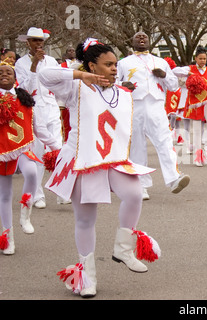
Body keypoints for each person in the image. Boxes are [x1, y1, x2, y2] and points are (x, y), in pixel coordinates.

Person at [38, 38, 162, 298]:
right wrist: (80, 75)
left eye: (116, 64)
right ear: (92, 66)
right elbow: (44, 74)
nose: (114, 69)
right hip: (83, 159)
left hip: (114, 159)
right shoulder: (75, 88)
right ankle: (87, 276)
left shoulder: (121, 92)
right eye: (108, 65)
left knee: (135, 194)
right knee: (86, 219)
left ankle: (123, 248)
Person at [117, 32, 190, 199]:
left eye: (145, 37)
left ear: (149, 41)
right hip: (134, 105)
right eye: (138, 37)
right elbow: (113, 83)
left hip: (156, 105)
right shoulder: (123, 63)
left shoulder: (160, 62)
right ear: (132, 41)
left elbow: (173, 86)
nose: (142, 38)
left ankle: (174, 179)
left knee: (164, 141)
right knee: (137, 145)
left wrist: (164, 76)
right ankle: (140, 186)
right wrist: (122, 85)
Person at [0, 61, 61, 255]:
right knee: (5, 195)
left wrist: (57, 147)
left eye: (8, 72)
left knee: (32, 172)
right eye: (0, 72)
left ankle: (25, 215)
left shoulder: (25, 99)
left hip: (23, 148)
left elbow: (40, 129)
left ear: (15, 76)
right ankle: (7, 237)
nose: (4, 74)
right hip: (2, 152)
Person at [15, 27, 63, 209]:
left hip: (51, 107)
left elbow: (60, 82)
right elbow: (24, 89)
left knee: (58, 149)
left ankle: (60, 190)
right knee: (38, 153)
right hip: (34, 110)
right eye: (34, 40)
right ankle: (37, 195)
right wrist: (34, 65)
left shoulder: (51, 61)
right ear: (27, 42)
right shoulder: (21, 64)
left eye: (41, 40)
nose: (38, 43)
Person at [173, 47, 207, 166]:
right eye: (200, 58)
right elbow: (175, 70)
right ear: (196, 58)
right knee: (197, 130)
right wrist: (188, 73)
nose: (203, 60)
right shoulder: (190, 68)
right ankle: (198, 157)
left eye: (205, 58)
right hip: (194, 102)